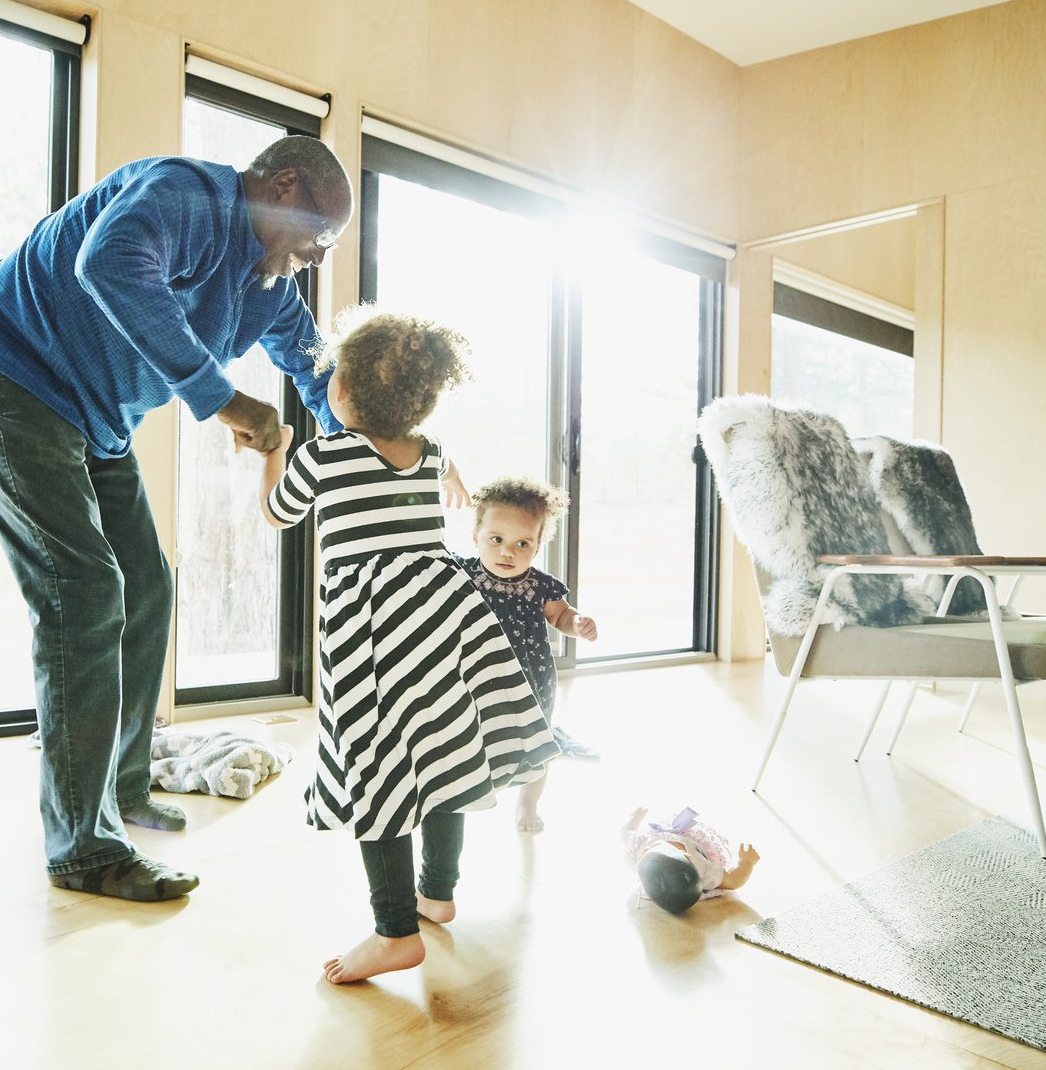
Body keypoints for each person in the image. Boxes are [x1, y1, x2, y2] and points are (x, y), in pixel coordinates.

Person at [0, 136, 351, 902]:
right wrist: (225, 399)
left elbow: (314, 369)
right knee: (83, 594)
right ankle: (83, 848)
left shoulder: (267, 283)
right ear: (284, 186)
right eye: (320, 236)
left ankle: (123, 790)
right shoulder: (182, 193)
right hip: (8, 375)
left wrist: (362, 449)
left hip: (96, 418)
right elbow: (110, 266)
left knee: (147, 585)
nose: (320, 258)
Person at [260, 309, 559, 983]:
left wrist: (273, 451)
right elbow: (443, 460)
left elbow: (278, 511)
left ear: (338, 391)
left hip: (371, 625)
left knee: (378, 770)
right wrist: (451, 472)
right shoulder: (426, 453)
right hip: (440, 612)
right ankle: (437, 892)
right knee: (443, 751)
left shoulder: (322, 455)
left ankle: (394, 929)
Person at [458, 478, 596, 831]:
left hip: (531, 678)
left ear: (536, 547)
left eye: (522, 543)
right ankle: (471, 790)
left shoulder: (540, 584)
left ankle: (528, 803)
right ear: (476, 538)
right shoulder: (464, 576)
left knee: (537, 741)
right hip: (478, 679)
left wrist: (576, 622)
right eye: (496, 540)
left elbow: (560, 615)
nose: (508, 552)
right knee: (475, 736)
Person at [621, 806, 759, 914]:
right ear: (685, 854)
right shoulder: (703, 870)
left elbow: (625, 832)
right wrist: (746, 862)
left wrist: (634, 819)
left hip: (662, 832)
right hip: (695, 842)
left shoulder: (642, 844)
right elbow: (734, 880)